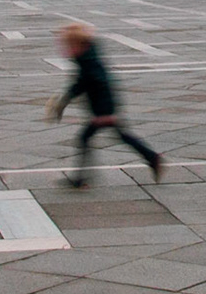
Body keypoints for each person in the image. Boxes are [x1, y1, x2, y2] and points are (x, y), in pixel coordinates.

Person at [46, 22, 163, 188]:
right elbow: (80, 84)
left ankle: (80, 179)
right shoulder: (86, 59)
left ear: (78, 45)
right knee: (120, 136)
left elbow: (100, 84)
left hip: (103, 111)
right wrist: (63, 102)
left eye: (67, 45)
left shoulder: (89, 63)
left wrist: (105, 113)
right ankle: (152, 158)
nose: (64, 50)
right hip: (102, 110)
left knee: (86, 138)